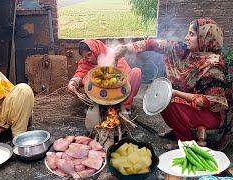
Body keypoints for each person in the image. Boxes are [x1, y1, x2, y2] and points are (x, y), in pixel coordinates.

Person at [114, 18, 230, 150]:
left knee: (170, 101)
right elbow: (157, 44)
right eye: (187, 33)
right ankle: (178, 130)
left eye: (191, 34)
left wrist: (176, 93)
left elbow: (212, 102)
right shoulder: (187, 51)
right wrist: (126, 48)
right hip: (192, 106)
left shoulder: (214, 66)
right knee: (161, 98)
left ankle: (187, 144)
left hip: (211, 115)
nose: (186, 38)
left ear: (205, 38)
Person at [68, 39, 142, 114]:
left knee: (136, 72)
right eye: (86, 57)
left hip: (120, 91)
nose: (89, 59)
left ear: (95, 50)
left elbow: (125, 74)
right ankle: (97, 108)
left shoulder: (114, 53)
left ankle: (125, 107)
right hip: (101, 96)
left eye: (89, 54)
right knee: (87, 78)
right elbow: (80, 73)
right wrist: (73, 82)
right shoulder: (85, 62)